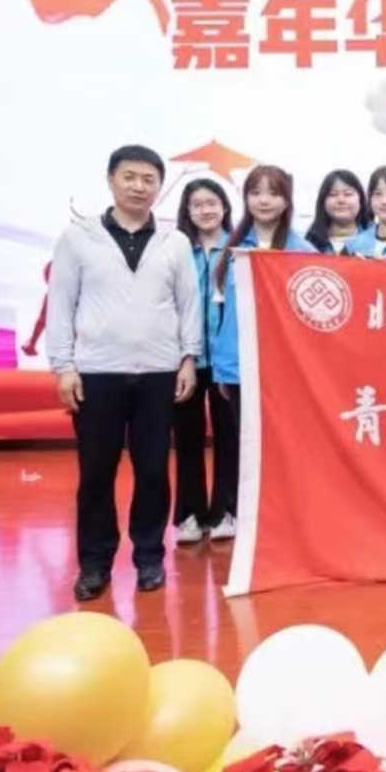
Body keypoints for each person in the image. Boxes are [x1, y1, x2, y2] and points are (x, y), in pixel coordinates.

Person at [45, 145, 200, 601]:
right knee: (96, 473)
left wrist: (188, 358)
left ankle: (149, 557)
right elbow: (60, 303)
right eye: (129, 177)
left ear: (159, 186)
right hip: (97, 373)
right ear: (111, 180)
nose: (139, 187)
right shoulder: (78, 238)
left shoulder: (174, 241)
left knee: (153, 470)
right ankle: (94, 564)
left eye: (149, 179)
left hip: (159, 372)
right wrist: (63, 367)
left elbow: (188, 303)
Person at [209, 164, 318, 541]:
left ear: (287, 199)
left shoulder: (304, 251)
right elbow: (222, 315)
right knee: (245, 445)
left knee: (287, 445)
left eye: (274, 192)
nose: (264, 200)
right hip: (239, 367)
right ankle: (249, 519)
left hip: (287, 368)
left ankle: (289, 518)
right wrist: (224, 370)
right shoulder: (232, 250)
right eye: (256, 192)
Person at [171, 176, 237, 545]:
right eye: (197, 205)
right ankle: (190, 514)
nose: (205, 210)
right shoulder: (177, 249)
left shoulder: (240, 248)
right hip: (185, 359)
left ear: (224, 207)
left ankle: (227, 510)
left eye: (212, 203)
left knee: (230, 437)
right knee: (187, 439)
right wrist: (184, 355)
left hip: (229, 359)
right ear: (187, 211)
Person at [304, 170, 371, 253]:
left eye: (348, 194)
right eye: (333, 194)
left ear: (361, 199)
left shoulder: (375, 240)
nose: (341, 200)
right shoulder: (308, 244)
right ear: (323, 201)